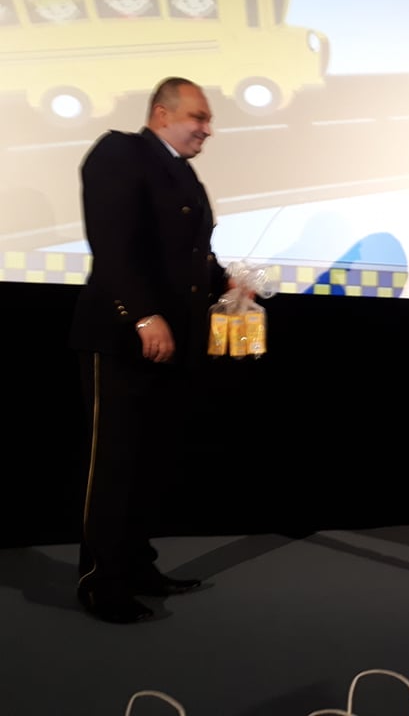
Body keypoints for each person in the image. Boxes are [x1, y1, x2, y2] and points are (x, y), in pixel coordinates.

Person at [69, 77, 231, 623]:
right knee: (113, 465)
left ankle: (136, 566)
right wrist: (141, 314)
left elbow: (190, 254)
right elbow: (112, 246)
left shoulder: (181, 172)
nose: (207, 130)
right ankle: (101, 583)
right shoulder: (120, 153)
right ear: (162, 113)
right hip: (121, 338)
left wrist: (228, 281)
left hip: (171, 343)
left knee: (148, 464)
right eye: (198, 118)